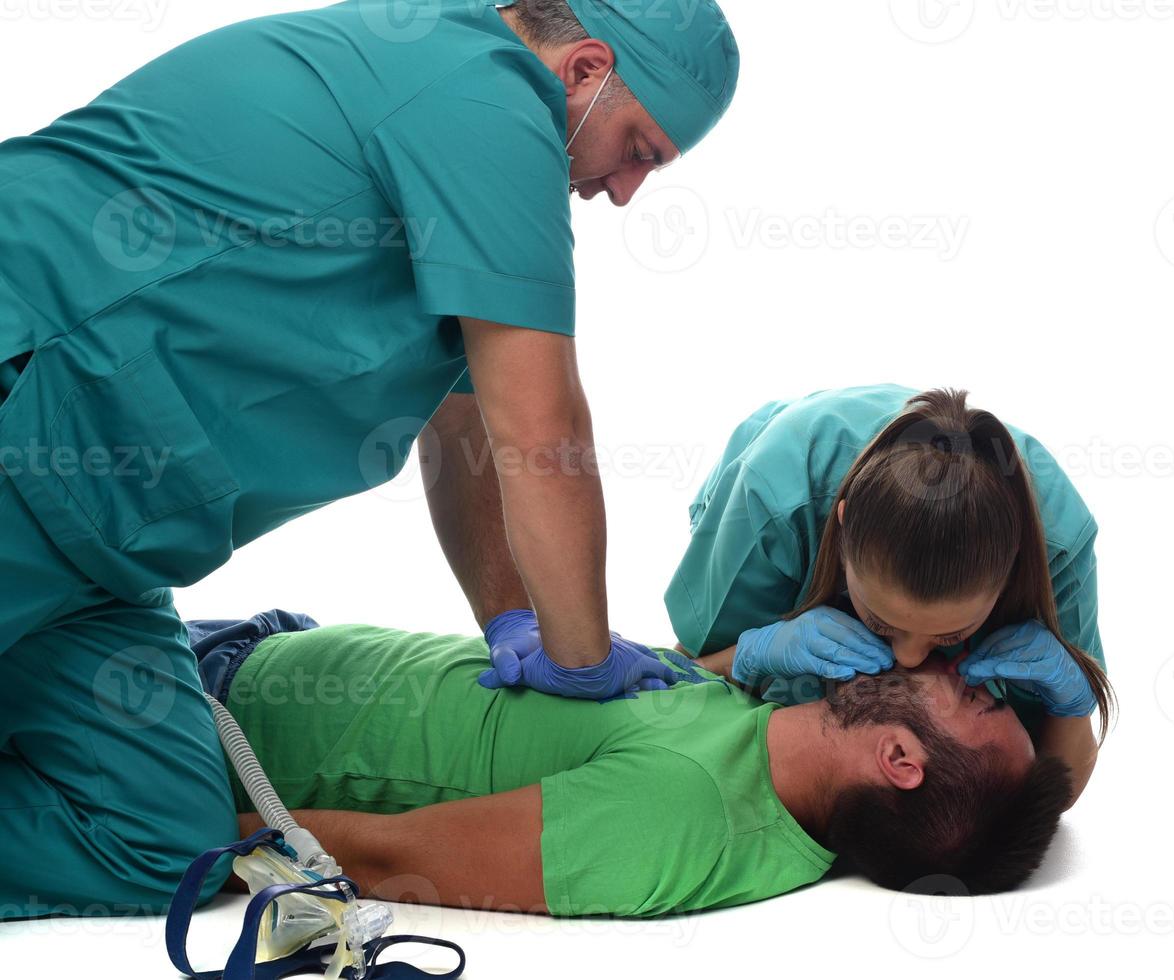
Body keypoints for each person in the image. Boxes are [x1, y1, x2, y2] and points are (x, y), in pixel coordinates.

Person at [0, 0, 739, 918]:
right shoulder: (486, 100)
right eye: (640, 149)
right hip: (24, 415)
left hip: (101, 547)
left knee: (160, 837)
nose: (626, 190)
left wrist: (518, 624)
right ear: (586, 70)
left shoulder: (461, 140)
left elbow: (470, 427)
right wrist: (584, 659)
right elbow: (543, 434)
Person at [185, 613, 1073, 916]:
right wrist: (745, 653)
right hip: (268, 643)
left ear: (899, 759)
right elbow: (641, 704)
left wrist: (177, 837)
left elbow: (382, 859)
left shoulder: (681, 813)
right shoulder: (770, 734)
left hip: (199, 718)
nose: (959, 665)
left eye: (977, 699)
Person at [665, 386, 1117, 807]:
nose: (911, 657)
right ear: (840, 534)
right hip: (781, 463)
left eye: (952, 634)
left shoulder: (1059, 543)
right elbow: (678, 684)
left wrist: (1072, 710)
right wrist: (748, 653)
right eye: (881, 623)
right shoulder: (774, 500)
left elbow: (1037, 798)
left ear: (1013, 567)